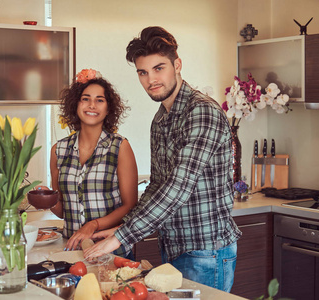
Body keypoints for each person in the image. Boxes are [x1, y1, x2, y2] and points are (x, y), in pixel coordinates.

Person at [84, 27, 242, 292]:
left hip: (206, 253)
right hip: (173, 248)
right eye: (143, 72)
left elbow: (178, 187)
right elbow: (157, 184)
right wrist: (123, 226)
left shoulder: (202, 112)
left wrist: (121, 237)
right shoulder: (160, 119)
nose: (151, 80)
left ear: (177, 65)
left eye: (159, 69)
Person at [49, 69, 138, 259]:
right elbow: (64, 211)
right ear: (76, 105)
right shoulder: (59, 150)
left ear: (108, 108)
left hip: (112, 252)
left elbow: (130, 205)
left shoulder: (120, 147)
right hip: (72, 252)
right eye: (85, 98)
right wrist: (47, 200)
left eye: (100, 100)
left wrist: (93, 225)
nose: (92, 105)